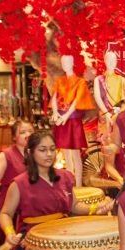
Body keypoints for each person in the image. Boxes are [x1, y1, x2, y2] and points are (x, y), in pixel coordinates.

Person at [0, 130, 113, 250]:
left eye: (52, 149)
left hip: (63, 235)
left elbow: (74, 206)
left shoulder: (66, 177)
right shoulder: (19, 183)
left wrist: (95, 209)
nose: (49, 154)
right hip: (32, 239)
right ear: (31, 152)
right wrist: (10, 232)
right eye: (42, 150)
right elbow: (5, 213)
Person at [0, 120, 34, 250]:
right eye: (22, 132)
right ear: (14, 137)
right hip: (8, 203)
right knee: (8, 246)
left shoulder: (36, 152)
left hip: (28, 203)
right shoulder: (6, 155)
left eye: (30, 131)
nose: (27, 135)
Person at [50, 55, 95, 187]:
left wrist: (66, 115)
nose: (65, 64)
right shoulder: (59, 81)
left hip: (73, 119)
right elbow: (54, 97)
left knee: (75, 153)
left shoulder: (80, 82)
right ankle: (70, 182)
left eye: (68, 61)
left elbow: (77, 101)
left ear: (73, 62)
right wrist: (55, 112)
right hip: (62, 118)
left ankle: (79, 184)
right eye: (63, 61)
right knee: (65, 153)